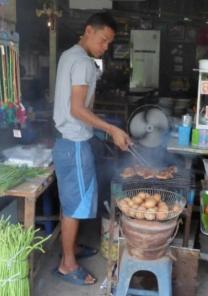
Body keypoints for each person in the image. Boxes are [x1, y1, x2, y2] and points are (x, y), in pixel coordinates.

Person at [52, 12, 131, 286]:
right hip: (74, 144)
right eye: (103, 40)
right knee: (75, 206)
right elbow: (77, 109)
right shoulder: (84, 63)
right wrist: (112, 129)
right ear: (88, 31)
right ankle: (67, 264)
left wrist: (101, 130)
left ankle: (69, 250)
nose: (105, 47)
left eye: (109, 43)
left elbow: (72, 107)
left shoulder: (68, 55)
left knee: (70, 202)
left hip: (67, 141)